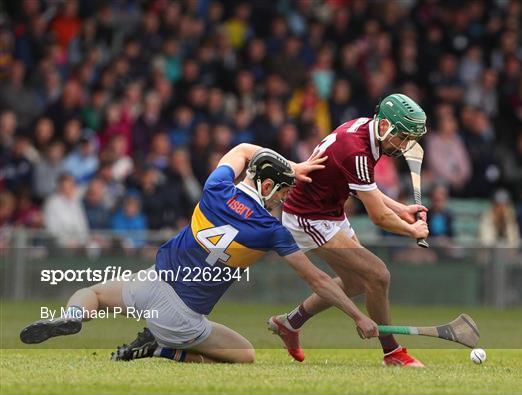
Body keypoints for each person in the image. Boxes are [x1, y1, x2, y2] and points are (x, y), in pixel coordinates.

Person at [20, 144, 378, 364]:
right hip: (180, 316)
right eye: (282, 190)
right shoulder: (270, 230)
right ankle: (161, 349)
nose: (283, 198)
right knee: (246, 354)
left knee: (93, 294)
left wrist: (289, 165)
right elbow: (318, 280)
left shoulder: (216, 186)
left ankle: (73, 316)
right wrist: (357, 316)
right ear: (267, 185)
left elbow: (241, 150)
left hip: (150, 282)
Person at [269, 93, 430, 367]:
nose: (404, 146)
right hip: (309, 217)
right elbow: (378, 217)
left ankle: (290, 323)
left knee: (356, 282)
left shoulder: (366, 132)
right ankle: (392, 352)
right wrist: (411, 230)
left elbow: (364, 187)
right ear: (384, 126)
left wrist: (401, 209)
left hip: (331, 211)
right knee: (378, 275)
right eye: (402, 137)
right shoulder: (356, 149)